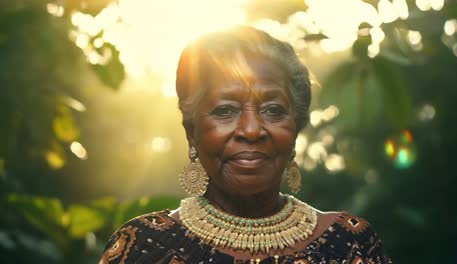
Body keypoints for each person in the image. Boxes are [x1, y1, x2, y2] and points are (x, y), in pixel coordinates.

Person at [99, 26, 391, 264]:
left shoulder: (350, 244)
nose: (252, 130)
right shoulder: (144, 246)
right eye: (226, 110)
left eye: (273, 110)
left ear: (296, 129)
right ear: (192, 132)